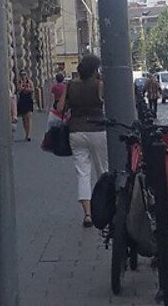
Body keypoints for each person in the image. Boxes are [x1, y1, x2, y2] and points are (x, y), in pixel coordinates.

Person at [66, 54, 108, 227]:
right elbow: (107, 103)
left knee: (82, 173)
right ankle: (105, 207)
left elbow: (60, 107)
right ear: (94, 69)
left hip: (76, 131)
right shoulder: (99, 85)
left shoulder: (71, 85)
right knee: (102, 170)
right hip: (97, 130)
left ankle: (88, 214)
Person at [16, 72, 36, 141]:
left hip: (28, 100)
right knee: (24, 119)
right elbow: (19, 89)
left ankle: (29, 134)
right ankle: (26, 133)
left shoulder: (29, 81)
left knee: (29, 117)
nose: (23, 76)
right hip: (22, 101)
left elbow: (32, 89)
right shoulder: (19, 82)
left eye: (24, 74)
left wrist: (24, 89)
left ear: (26, 75)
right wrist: (24, 88)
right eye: (22, 74)